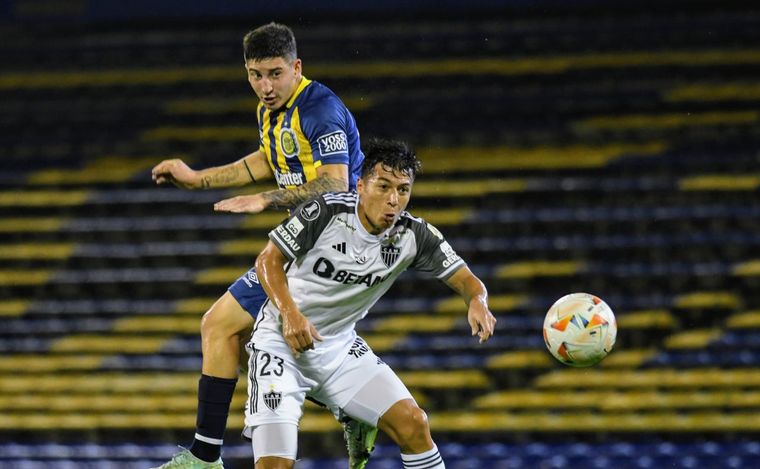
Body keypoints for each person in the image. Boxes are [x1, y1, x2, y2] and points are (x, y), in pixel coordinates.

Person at [150, 22, 377, 469]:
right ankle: (353, 407)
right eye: (255, 75)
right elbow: (264, 161)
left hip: (335, 248)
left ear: (297, 67)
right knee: (251, 340)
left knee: (221, 327)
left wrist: (265, 199)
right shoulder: (271, 111)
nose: (265, 86)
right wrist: (197, 179)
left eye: (275, 74)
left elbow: (336, 183)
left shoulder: (320, 109)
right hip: (308, 243)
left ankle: (204, 458)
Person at [247, 138, 496, 468]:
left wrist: (477, 300)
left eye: (403, 190)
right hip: (281, 344)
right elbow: (268, 261)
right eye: (384, 187)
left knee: (414, 424)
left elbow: (466, 280)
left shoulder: (414, 235)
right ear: (360, 186)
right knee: (276, 465)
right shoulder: (326, 212)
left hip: (339, 349)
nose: (393, 200)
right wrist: (291, 313)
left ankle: (356, 415)